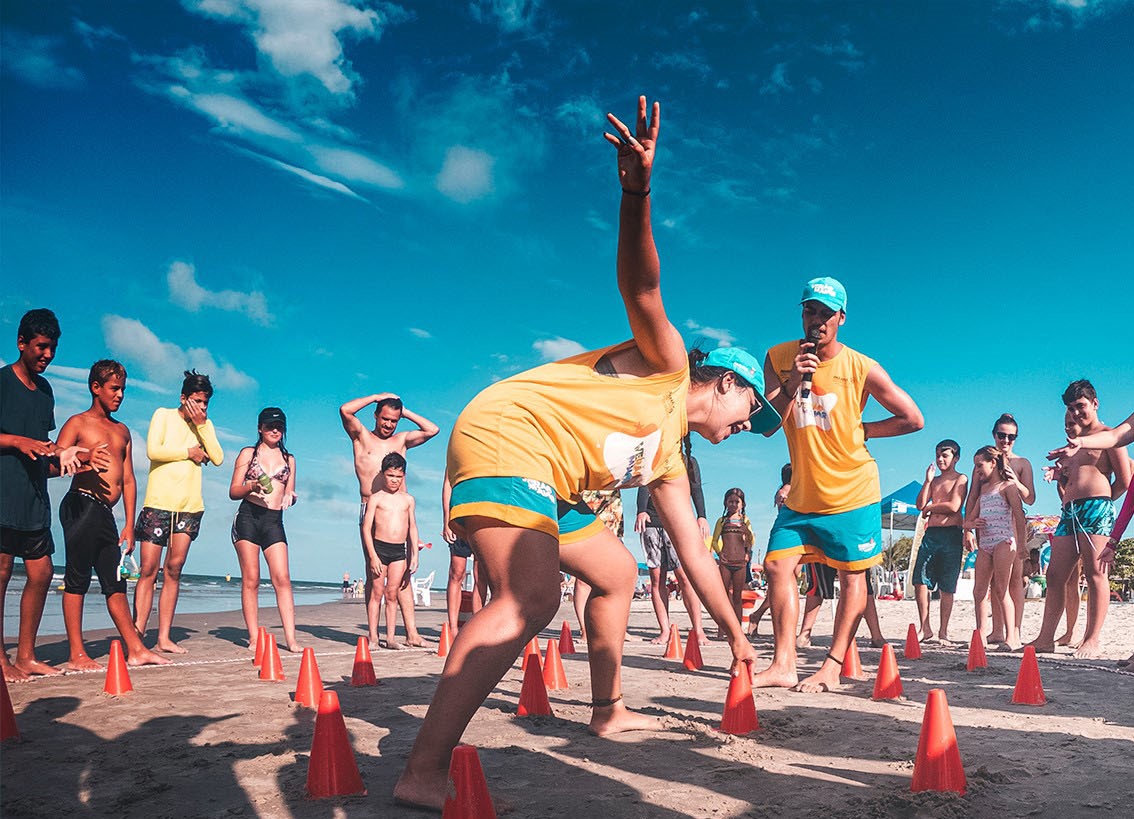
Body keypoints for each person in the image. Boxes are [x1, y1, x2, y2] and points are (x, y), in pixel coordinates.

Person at [394, 96, 778, 810]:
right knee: (531, 597)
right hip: (509, 433)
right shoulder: (666, 364)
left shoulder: (669, 459)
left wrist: (736, 635)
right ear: (724, 381)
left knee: (618, 568)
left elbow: (694, 552)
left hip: (551, 473)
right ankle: (423, 767)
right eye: (749, 410)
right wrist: (637, 191)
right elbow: (642, 283)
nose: (746, 428)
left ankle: (607, 709)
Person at [756, 276, 924, 693]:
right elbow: (765, 426)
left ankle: (832, 665)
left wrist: (864, 429)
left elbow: (913, 418)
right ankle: (783, 664)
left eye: (826, 313)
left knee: (853, 579)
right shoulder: (778, 357)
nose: (816, 320)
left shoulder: (861, 366)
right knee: (777, 566)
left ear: (841, 318)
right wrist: (794, 381)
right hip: (802, 496)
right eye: (810, 310)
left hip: (853, 491)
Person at [1, 309, 104, 681]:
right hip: (3, 493)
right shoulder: (2, 382)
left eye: (53, 348)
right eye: (42, 347)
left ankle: (26, 655)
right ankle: (0, 660)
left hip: (34, 496)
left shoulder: (45, 392)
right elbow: (21, 443)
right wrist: (16, 441)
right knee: (0, 572)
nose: (48, 354)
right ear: (22, 343)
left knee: (42, 573)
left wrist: (71, 458)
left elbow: (43, 454)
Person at [55, 361, 170, 671]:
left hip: (106, 513)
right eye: (114, 388)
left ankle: (135, 649)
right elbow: (55, 462)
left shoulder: (122, 430)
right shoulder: (78, 423)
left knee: (114, 581)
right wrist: (83, 458)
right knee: (77, 579)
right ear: (96, 388)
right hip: (81, 504)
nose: (120, 395)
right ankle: (77, 653)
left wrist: (130, 525)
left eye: (123, 389)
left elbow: (129, 480)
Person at [1030, 381, 1130, 658]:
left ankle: (1092, 639)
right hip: (1069, 511)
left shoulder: (1109, 435)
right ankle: (1046, 637)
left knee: (1095, 572)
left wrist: (1104, 500)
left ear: (1095, 404)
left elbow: (1125, 480)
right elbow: (1070, 479)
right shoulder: (1072, 444)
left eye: (1080, 406)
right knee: (1055, 574)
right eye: (1071, 408)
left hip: (1096, 508)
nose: (1076, 413)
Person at [133, 370, 224, 653]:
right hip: (158, 503)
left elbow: (219, 458)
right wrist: (189, 452)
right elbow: (152, 450)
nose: (201, 408)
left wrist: (204, 426)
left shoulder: (204, 426)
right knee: (148, 569)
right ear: (183, 398)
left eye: (205, 403)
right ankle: (137, 634)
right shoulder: (162, 414)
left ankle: (163, 638)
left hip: (189, 507)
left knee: (174, 570)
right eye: (197, 401)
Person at [340, 392, 437, 647]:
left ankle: (412, 633)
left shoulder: (401, 440)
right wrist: (376, 397)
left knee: (404, 575)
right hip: (371, 509)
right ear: (375, 415)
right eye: (385, 419)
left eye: (394, 420)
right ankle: (374, 635)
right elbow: (345, 410)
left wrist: (403, 411)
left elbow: (432, 429)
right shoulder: (361, 435)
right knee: (375, 574)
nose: (389, 424)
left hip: (400, 513)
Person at [228, 407, 300, 652]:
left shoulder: (289, 459)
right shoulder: (248, 453)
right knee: (252, 578)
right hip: (248, 516)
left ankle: (291, 640)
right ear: (260, 428)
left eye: (279, 426)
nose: (275, 430)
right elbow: (233, 491)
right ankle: (254, 637)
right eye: (270, 426)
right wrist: (251, 485)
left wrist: (291, 495)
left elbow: (289, 490)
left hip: (274, 520)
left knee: (283, 578)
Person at [964, 413, 1035, 644]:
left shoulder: (1021, 463)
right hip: (986, 532)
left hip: (1010, 532)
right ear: (994, 435)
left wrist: (1016, 481)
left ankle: (1013, 632)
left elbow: (1030, 499)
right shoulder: (982, 465)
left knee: (1012, 582)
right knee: (989, 583)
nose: (1006, 440)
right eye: (1002, 435)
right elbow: (973, 498)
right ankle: (994, 631)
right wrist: (967, 529)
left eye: (1011, 436)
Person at [634, 454, 710, 644]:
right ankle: (665, 630)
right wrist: (641, 510)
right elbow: (644, 484)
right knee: (656, 577)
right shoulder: (655, 455)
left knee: (684, 576)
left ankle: (698, 630)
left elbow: (696, 489)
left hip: (678, 520)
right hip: (652, 522)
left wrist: (702, 516)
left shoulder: (689, 461)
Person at [361, 452, 420, 649]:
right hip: (379, 548)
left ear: (403, 476)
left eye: (398, 476)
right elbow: (366, 528)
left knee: (392, 593)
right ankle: (373, 637)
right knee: (376, 593)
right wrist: (372, 556)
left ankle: (391, 638)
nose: (394, 480)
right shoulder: (376, 498)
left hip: (399, 551)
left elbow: (412, 528)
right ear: (383, 474)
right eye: (390, 475)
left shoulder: (408, 500)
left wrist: (415, 555)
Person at [912, 439, 967, 643]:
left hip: (951, 534)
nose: (940, 459)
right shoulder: (934, 481)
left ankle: (943, 630)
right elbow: (919, 504)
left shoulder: (961, 478)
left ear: (956, 458)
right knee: (920, 579)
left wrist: (930, 508)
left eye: (945, 455)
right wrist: (927, 480)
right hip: (932, 534)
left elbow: (954, 506)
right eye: (938, 455)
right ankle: (925, 627)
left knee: (947, 584)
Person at [442, 475, 486, 637]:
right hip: (459, 515)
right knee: (456, 572)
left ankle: (477, 626)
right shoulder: (456, 451)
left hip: (482, 515)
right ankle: (453, 628)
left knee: (480, 575)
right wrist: (446, 519)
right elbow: (447, 484)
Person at [709, 488, 754, 625]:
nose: (733, 504)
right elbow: (714, 540)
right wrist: (719, 553)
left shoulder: (745, 520)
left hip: (740, 562)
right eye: (730, 501)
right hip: (726, 562)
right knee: (723, 596)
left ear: (742, 504)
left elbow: (751, 540)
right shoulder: (722, 521)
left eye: (736, 502)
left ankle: (737, 627)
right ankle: (722, 628)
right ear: (725, 503)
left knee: (737, 597)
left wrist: (747, 553)